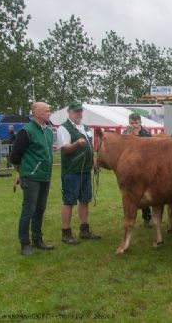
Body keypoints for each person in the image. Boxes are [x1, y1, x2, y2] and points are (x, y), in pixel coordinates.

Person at [10, 102, 55, 255]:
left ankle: (37, 240)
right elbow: (15, 156)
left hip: (45, 176)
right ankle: (25, 244)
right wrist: (23, 171)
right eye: (46, 110)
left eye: (49, 110)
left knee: (40, 209)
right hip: (31, 177)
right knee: (28, 210)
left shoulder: (48, 131)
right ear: (36, 113)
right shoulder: (27, 131)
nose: (49, 112)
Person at [57, 101, 101, 244]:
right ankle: (66, 232)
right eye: (76, 111)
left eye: (80, 111)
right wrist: (76, 144)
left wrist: (94, 162)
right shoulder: (64, 128)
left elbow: (90, 149)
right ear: (69, 112)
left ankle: (84, 229)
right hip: (71, 171)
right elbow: (65, 148)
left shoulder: (87, 128)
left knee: (85, 199)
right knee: (69, 201)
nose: (79, 114)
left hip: (85, 170)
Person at [123, 113, 153, 228]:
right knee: (129, 194)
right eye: (132, 123)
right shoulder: (125, 132)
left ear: (140, 122)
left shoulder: (146, 132)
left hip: (143, 166)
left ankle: (147, 218)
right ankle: (130, 218)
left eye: (136, 123)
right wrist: (131, 135)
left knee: (143, 193)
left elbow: (151, 148)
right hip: (129, 167)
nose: (134, 125)